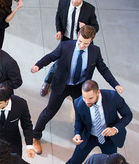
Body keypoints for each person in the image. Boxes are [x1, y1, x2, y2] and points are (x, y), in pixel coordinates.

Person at [30, 25, 123, 155]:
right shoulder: (65, 46)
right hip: (61, 85)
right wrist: (37, 66)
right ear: (78, 36)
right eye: (79, 41)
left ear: (91, 40)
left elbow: (103, 69)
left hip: (80, 87)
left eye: (85, 43)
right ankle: (35, 136)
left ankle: (79, 136)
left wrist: (115, 84)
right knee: (49, 111)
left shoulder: (95, 51)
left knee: (82, 113)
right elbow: (51, 56)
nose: (81, 45)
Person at [48, 80, 132, 164]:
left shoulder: (113, 97)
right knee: (74, 161)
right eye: (84, 97)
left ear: (98, 92)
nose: (87, 101)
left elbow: (128, 115)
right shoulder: (78, 103)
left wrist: (115, 129)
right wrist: (77, 133)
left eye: (90, 98)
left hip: (109, 138)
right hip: (89, 137)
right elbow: (78, 121)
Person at [40, 0, 99, 96]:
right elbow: (58, 16)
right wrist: (59, 30)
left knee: (79, 65)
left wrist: (86, 27)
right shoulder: (63, 3)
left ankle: (76, 87)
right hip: (67, 40)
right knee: (58, 63)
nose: (74, 1)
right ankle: (47, 82)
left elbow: (96, 27)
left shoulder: (89, 9)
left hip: (80, 42)